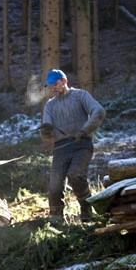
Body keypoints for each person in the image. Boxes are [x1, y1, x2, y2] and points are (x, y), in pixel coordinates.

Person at [40, 69, 106, 221]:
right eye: (50, 86)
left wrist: (85, 130)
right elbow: (46, 135)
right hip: (60, 149)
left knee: (75, 174)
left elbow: (99, 111)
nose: (52, 88)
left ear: (64, 81)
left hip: (82, 144)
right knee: (54, 188)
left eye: (55, 84)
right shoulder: (50, 106)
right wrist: (46, 131)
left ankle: (86, 207)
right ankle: (56, 222)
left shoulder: (80, 96)